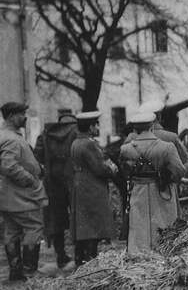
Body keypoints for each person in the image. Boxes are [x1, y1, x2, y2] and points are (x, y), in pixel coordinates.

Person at [0, 102, 48, 281]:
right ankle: (30, 272)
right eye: (22, 113)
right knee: (34, 228)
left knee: (11, 231)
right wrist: (30, 179)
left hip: (6, 196)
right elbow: (10, 166)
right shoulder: (11, 139)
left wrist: (36, 167)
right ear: (12, 116)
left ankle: (16, 273)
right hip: (20, 196)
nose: (25, 117)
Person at [119, 112, 185, 254]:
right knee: (164, 226)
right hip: (161, 192)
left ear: (135, 129)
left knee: (138, 226)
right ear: (152, 126)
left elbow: (124, 172)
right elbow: (179, 171)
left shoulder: (125, 149)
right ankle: (163, 254)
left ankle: (138, 255)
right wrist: (169, 180)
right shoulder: (167, 147)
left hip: (137, 191)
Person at [69, 111, 118, 267]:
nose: (98, 127)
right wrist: (112, 169)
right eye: (96, 124)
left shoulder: (76, 142)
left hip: (80, 184)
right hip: (92, 187)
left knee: (83, 225)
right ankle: (90, 263)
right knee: (93, 225)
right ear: (90, 127)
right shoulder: (89, 144)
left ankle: (80, 260)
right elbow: (99, 168)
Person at [33, 113, 77, 270]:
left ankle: (61, 256)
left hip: (52, 182)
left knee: (55, 220)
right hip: (73, 180)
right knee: (78, 215)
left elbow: (37, 156)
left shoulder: (46, 134)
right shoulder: (76, 132)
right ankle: (80, 255)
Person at [127, 100, 188, 169]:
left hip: (136, 179)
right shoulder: (172, 137)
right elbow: (184, 162)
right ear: (159, 116)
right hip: (164, 179)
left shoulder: (131, 138)